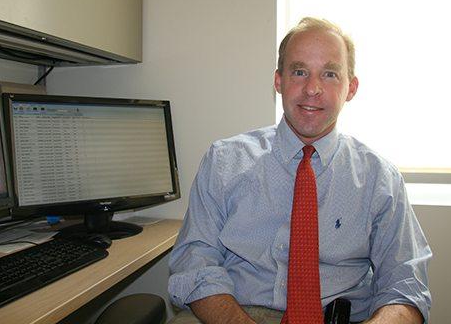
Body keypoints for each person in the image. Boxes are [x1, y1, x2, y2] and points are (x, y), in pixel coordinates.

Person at [168, 17, 432, 323]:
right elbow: (194, 263)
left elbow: (406, 286)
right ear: (279, 81)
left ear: (351, 88)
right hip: (237, 313)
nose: (312, 89)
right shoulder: (224, 162)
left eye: (330, 74)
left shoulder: (380, 179)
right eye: (299, 71)